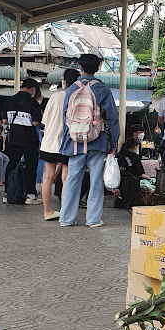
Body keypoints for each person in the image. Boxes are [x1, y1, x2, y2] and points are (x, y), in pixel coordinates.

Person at [59, 54, 119, 227]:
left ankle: (67, 218)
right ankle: (93, 219)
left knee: (72, 180)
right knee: (96, 182)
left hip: (75, 142)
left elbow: (65, 118)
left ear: (80, 67)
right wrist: (113, 144)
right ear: (98, 68)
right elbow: (112, 119)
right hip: (97, 141)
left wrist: (67, 140)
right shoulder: (103, 89)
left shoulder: (72, 89)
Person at [39, 68, 80, 221]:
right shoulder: (76, 98)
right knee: (66, 178)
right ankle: (65, 213)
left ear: (64, 81)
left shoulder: (55, 97)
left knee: (48, 177)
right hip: (67, 143)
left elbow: (44, 121)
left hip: (49, 142)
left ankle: (47, 211)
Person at [3, 78, 43, 205]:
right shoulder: (32, 103)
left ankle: (8, 192)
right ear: (33, 89)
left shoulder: (10, 100)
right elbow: (36, 122)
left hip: (13, 137)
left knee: (11, 164)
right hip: (29, 138)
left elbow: (4, 121)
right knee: (31, 166)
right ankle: (30, 194)